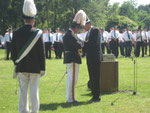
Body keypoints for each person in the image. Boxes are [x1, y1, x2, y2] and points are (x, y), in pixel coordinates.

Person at [11, 0, 45, 113]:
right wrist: (43, 68)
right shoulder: (38, 33)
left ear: (24, 19)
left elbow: (13, 53)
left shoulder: (16, 33)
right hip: (35, 67)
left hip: (21, 66)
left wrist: (17, 63)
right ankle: (35, 111)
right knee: (34, 91)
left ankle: (23, 110)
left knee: (22, 91)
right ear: (33, 20)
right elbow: (42, 53)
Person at [63, 10, 86, 103]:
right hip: (72, 58)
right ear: (75, 28)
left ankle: (70, 98)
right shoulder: (69, 35)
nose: (78, 30)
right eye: (78, 28)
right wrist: (82, 44)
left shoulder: (71, 34)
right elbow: (78, 45)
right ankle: (71, 99)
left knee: (71, 79)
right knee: (73, 79)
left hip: (71, 57)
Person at [83, 16, 103, 102]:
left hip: (95, 57)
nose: (84, 27)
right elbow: (87, 45)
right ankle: (94, 94)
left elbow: (93, 43)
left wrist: (82, 43)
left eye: (85, 25)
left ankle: (96, 96)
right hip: (90, 57)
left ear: (89, 24)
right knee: (92, 76)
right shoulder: (88, 33)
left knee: (95, 76)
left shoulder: (95, 30)